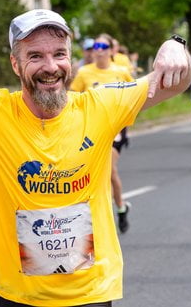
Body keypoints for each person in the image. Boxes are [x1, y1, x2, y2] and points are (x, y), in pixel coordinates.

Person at [0, 9, 191, 306]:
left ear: (70, 59)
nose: (50, 66)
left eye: (59, 54)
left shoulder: (101, 105)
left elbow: (177, 82)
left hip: (90, 292)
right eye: (35, 56)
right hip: (19, 295)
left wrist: (176, 46)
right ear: (15, 64)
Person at [70, 33, 133, 234]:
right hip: (91, 129)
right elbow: (72, 98)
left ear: (111, 50)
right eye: (95, 46)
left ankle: (115, 210)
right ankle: (118, 208)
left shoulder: (121, 72)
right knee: (97, 172)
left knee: (108, 169)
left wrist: (125, 117)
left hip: (115, 128)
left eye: (103, 46)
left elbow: (134, 96)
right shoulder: (84, 72)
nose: (98, 50)